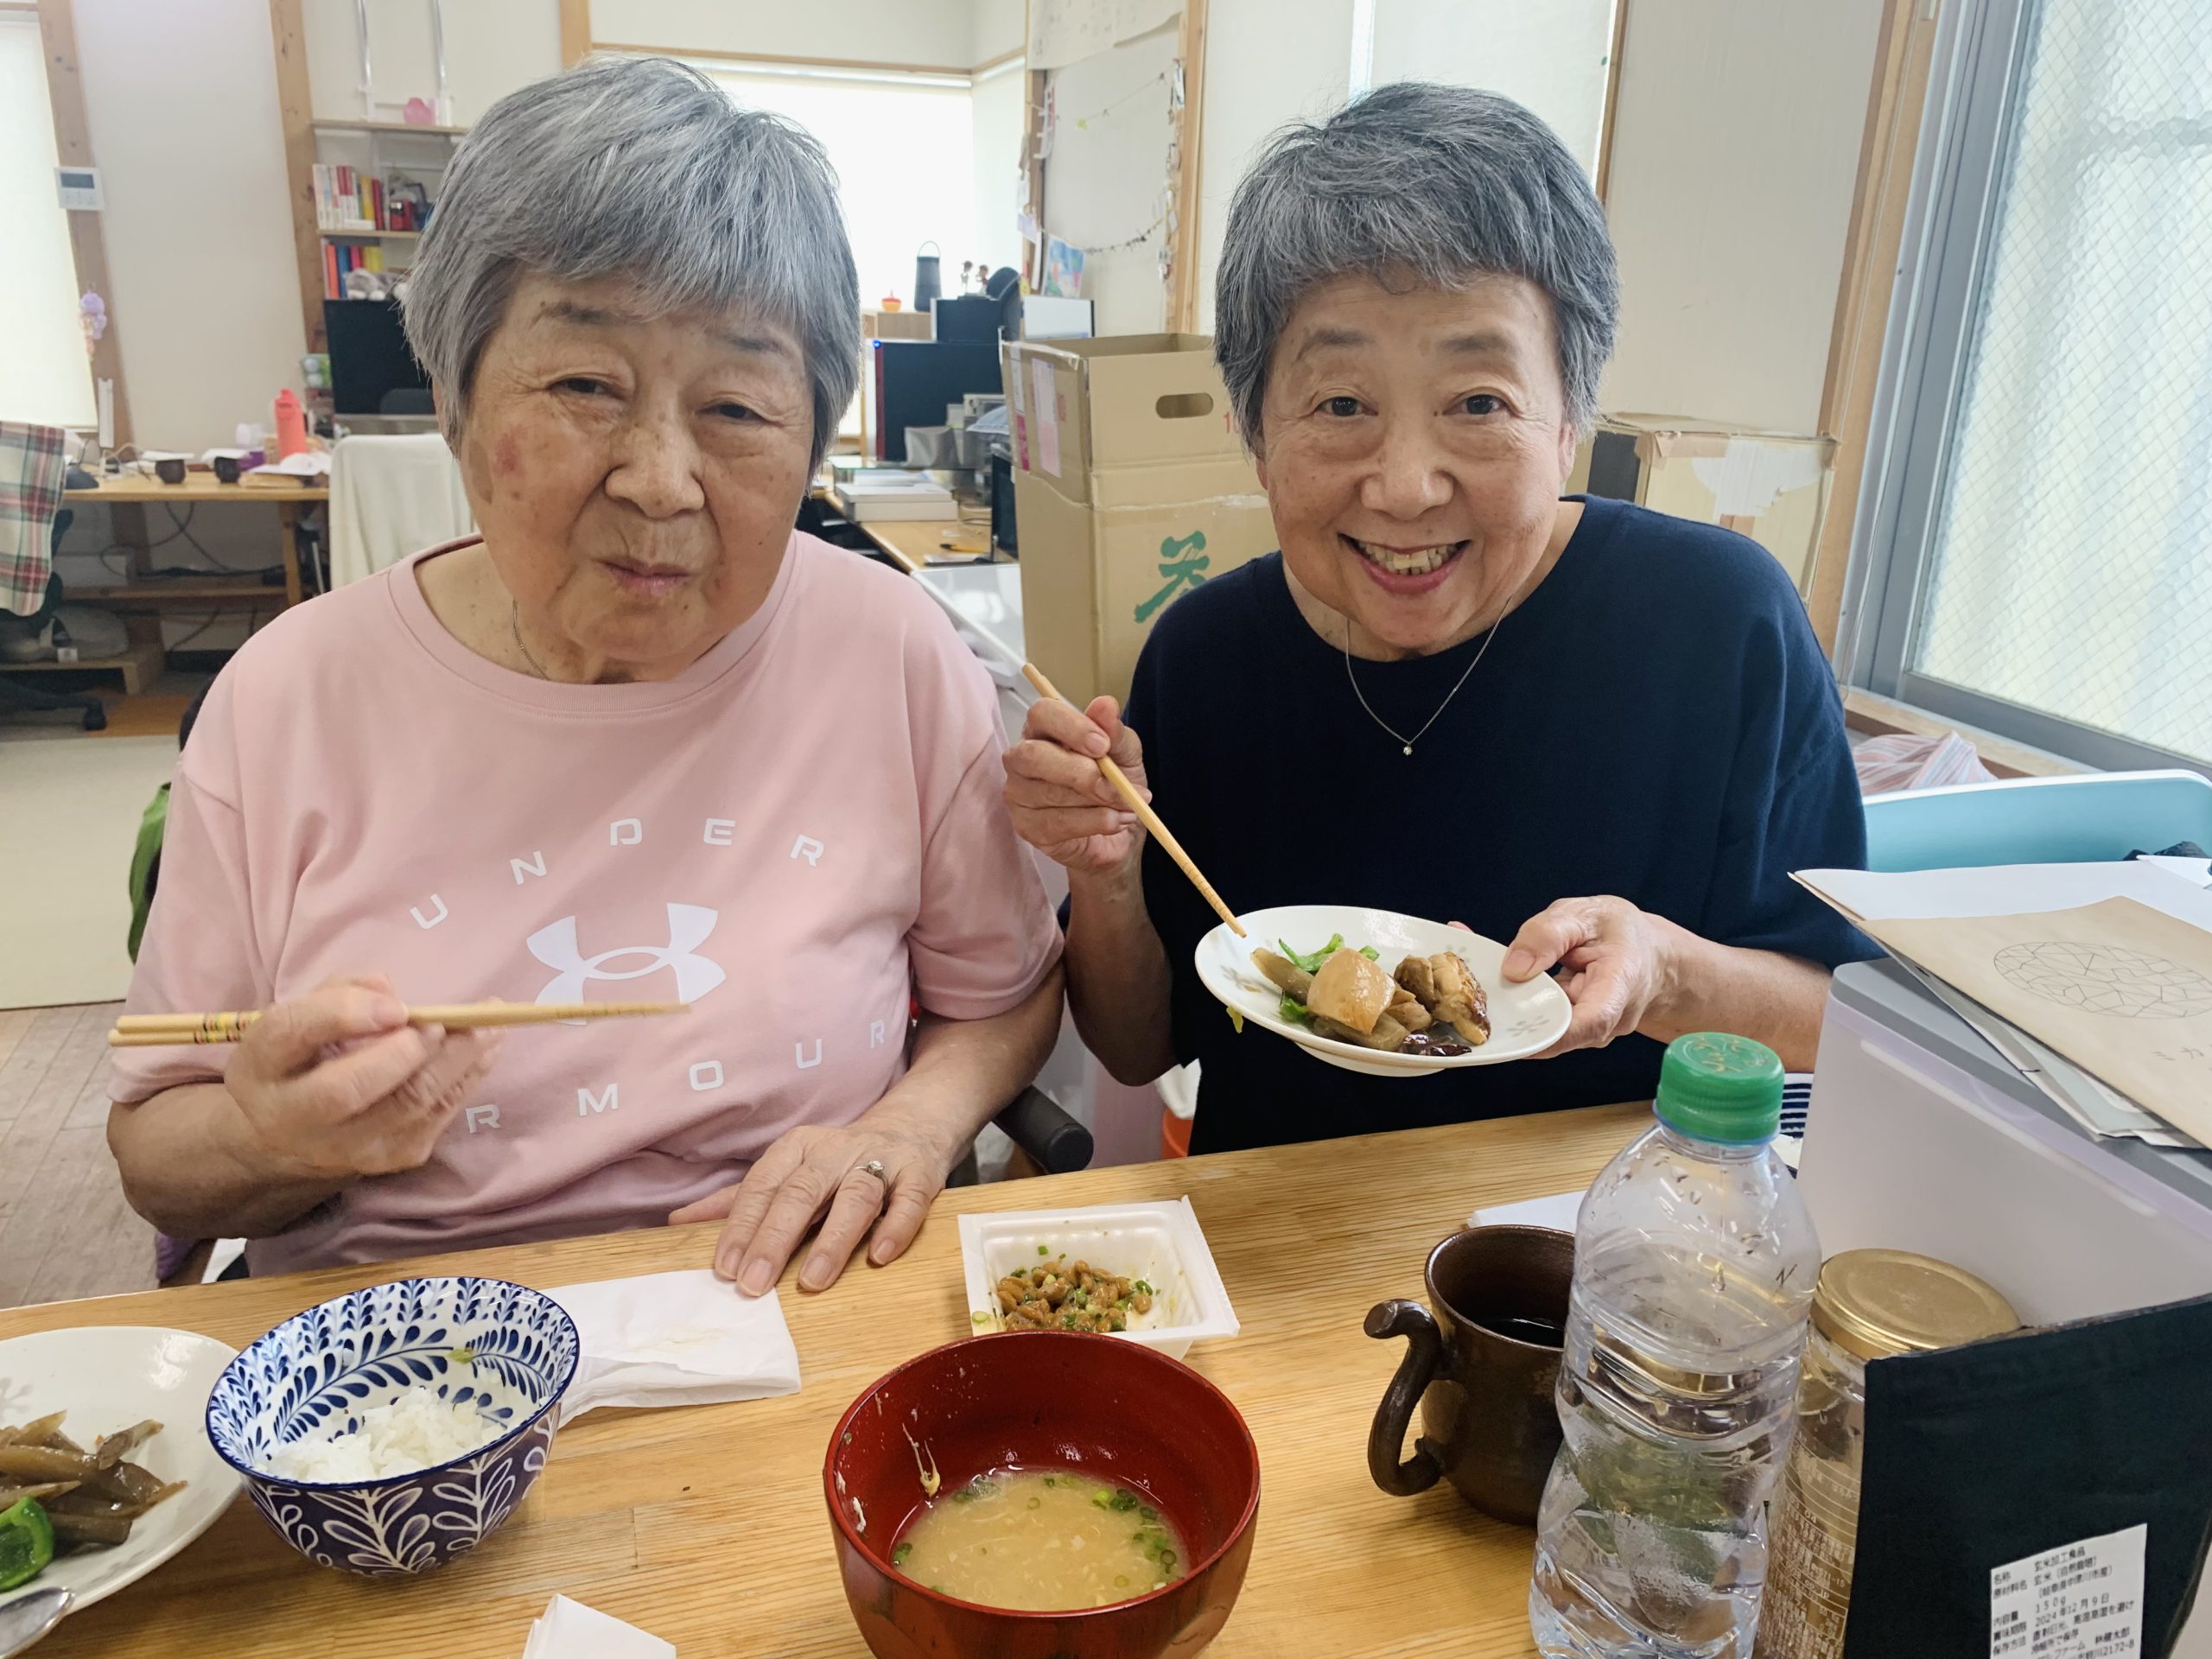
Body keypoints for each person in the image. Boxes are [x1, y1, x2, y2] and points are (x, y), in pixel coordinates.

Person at [108, 57, 1063, 1289]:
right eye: (584, 387)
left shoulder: (893, 650)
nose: (660, 478)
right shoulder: (288, 697)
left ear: (814, 440)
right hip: (406, 1370)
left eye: (737, 408)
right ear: (453, 401)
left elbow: (1003, 997)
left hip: (796, 1321)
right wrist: (266, 1139)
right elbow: (155, 1142)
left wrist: (909, 1127)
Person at [1003, 83, 1870, 1154]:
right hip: (1278, 1248)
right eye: (1339, 405)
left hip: (1602, 1249)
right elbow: (1140, 1050)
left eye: (1478, 403)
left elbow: (1839, 1023)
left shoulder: (1715, 623)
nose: (1406, 487)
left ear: (1570, 420)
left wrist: (1666, 972)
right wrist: (1104, 874)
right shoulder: (1206, 655)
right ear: (1252, 430)